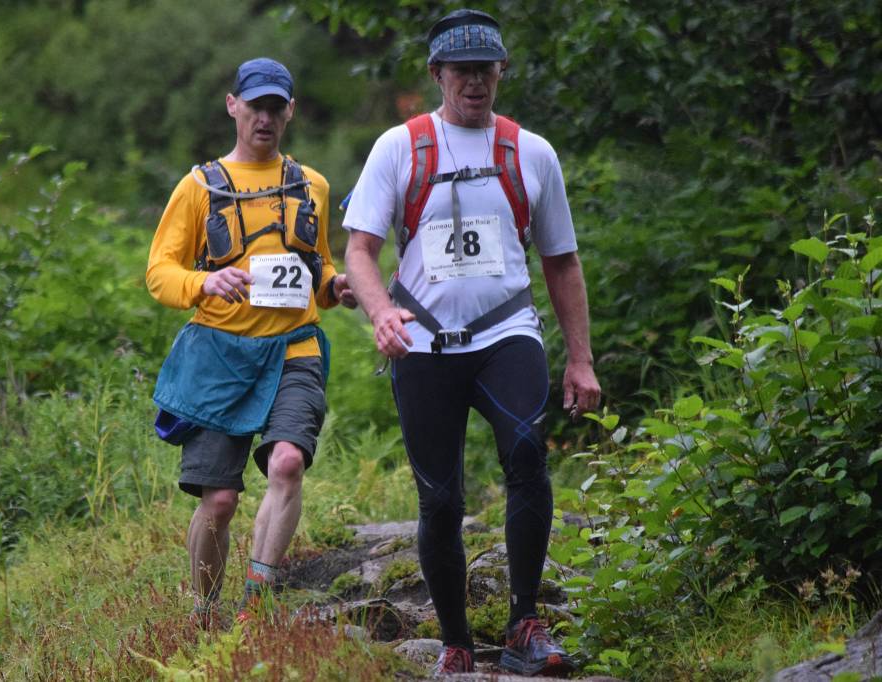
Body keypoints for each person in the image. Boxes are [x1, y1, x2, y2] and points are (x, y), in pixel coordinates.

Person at [343, 9, 600, 677]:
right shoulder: (399, 148)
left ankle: (523, 624)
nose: (475, 83)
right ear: (437, 74)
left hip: (505, 331)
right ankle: (456, 643)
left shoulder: (530, 152)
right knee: (441, 499)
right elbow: (361, 250)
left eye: (487, 70)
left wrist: (580, 358)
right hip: (422, 341)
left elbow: (562, 262)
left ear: (502, 73)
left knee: (525, 452)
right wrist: (380, 313)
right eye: (462, 71)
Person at [146, 57, 356, 626]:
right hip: (218, 352)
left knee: (287, 463)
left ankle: (255, 603)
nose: (265, 117)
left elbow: (320, 269)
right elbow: (159, 273)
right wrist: (203, 280)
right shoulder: (198, 187)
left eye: (275, 107)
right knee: (219, 501)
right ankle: (203, 610)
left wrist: (338, 288)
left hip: (294, 349)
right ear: (233, 105)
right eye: (255, 105)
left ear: (290, 111)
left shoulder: (310, 184)